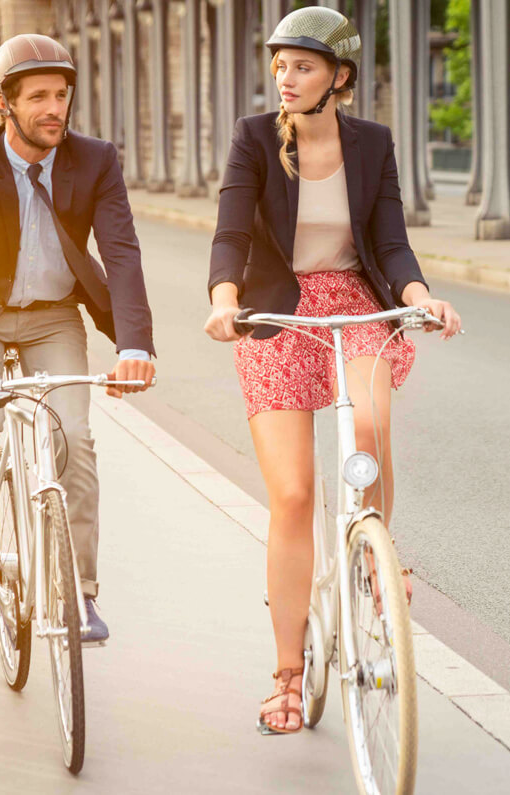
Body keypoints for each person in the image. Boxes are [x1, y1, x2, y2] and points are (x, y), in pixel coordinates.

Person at [202, 7, 462, 734]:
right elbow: (229, 232)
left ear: (339, 78)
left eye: (304, 66)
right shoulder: (255, 139)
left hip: (351, 302)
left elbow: (393, 242)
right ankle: (288, 671)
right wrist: (225, 300)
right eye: (281, 65)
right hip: (279, 313)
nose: (286, 78)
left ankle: (376, 550)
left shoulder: (372, 144)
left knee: (370, 424)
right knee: (292, 496)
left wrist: (420, 298)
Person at [0, 34, 156, 643]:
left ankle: (81, 593)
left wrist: (134, 345)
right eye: (39, 97)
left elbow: (122, 254)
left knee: (73, 439)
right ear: (4, 103)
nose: (55, 108)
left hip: (54, 317)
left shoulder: (95, 158)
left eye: (62, 95)